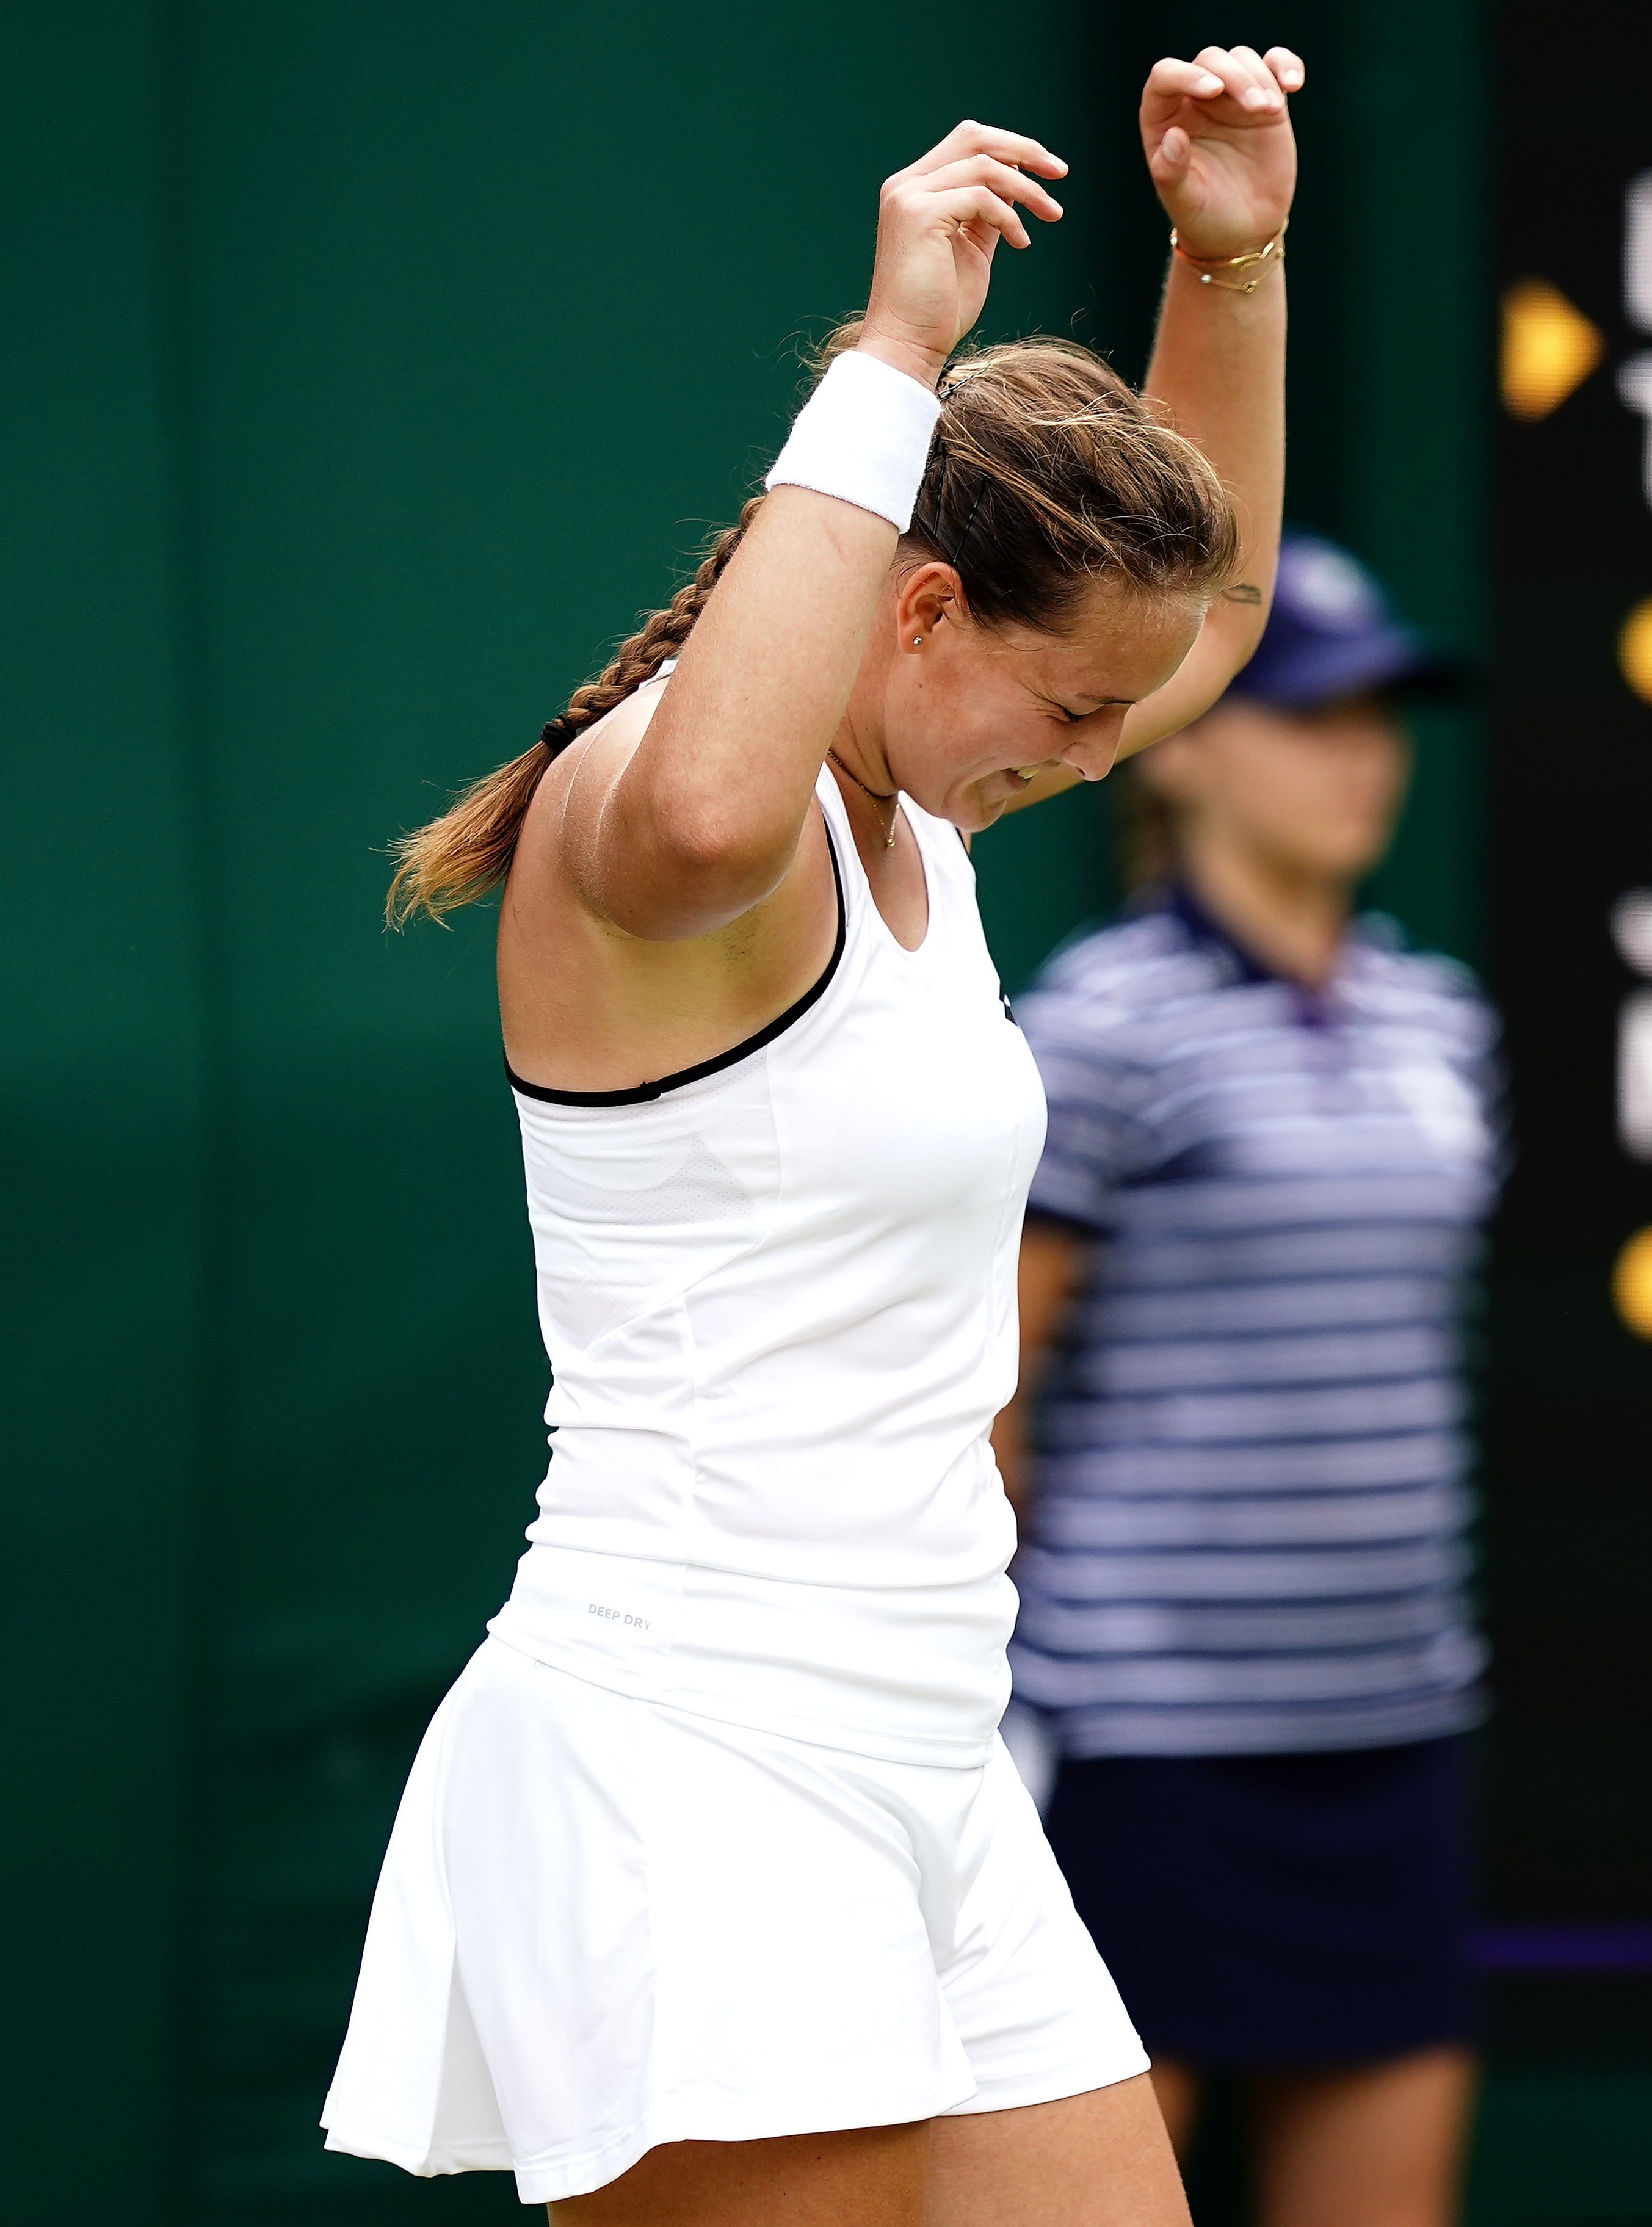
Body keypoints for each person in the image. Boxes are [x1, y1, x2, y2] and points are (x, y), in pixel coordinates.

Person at [319, 46, 1303, 2224]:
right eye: (1065, 713)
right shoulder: (668, 817)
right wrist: (891, 357)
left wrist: (1230, 256)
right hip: (694, 1755)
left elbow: (1200, 621)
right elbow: (706, 804)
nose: (1095, 757)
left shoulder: (923, 807)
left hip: (930, 1759)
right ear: (924, 605)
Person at [993, 534, 1499, 2227]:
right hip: (1149, 1759)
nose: (1361, 753)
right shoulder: (1101, 1027)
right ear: (1191, 736)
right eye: (1307, 713)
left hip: (1393, 1733)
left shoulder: (1442, 1024)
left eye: (1380, 715)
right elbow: (986, 1392)